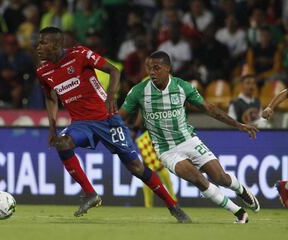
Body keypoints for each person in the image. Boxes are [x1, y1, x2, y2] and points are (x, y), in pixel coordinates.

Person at [35, 27, 190, 222]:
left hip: (106, 119)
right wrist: (52, 128)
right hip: (81, 123)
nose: (38, 46)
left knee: (136, 167)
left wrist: (110, 96)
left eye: (43, 42)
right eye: (38, 42)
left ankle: (173, 206)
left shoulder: (79, 54)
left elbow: (113, 70)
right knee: (63, 143)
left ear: (56, 44)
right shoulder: (43, 71)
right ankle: (90, 194)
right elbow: (51, 98)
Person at [119, 51, 261, 224]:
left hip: (189, 141)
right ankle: (239, 213)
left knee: (220, 177)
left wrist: (238, 125)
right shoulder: (139, 92)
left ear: (168, 68)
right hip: (167, 151)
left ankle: (241, 191)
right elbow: (120, 118)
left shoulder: (181, 87)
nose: (152, 72)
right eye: (149, 68)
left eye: (157, 68)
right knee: (198, 179)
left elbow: (209, 108)